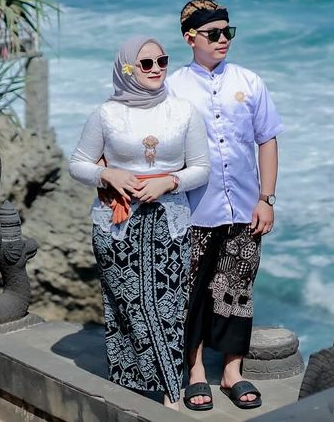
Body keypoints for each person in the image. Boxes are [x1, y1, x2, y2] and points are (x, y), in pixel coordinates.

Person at [69, 35, 210, 410]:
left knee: (165, 306)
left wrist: (170, 181)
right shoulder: (106, 113)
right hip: (117, 223)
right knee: (128, 305)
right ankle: (134, 382)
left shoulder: (183, 111)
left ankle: (171, 393)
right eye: (146, 64)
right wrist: (109, 176)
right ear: (127, 68)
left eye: (162, 61)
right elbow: (78, 164)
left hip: (170, 219)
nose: (157, 69)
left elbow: (201, 168)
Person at [167, 0, 283, 411]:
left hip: (246, 208)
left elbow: (266, 139)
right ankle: (195, 371)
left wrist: (267, 199)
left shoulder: (249, 82)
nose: (223, 40)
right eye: (213, 33)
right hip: (192, 210)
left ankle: (232, 372)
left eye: (227, 32)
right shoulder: (173, 87)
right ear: (190, 38)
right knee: (191, 292)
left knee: (238, 288)